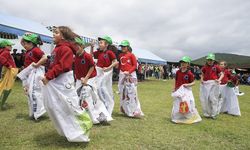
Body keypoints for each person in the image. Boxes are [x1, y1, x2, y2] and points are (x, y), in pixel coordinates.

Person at [34, 26, 92, 142]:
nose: (53, 35)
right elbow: (53, 64)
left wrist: (49, 76)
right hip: (57, 80)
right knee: (55, 105)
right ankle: (70, 130)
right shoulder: (57, 48)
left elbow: (63, 66)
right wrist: (47, 72)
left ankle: (83, 125)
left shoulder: (65, 49)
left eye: (56, 33)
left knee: (69, 105)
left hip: (63, 81)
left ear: (63, 36)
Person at [74, 37, 113, 124]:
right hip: (79, 80)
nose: (76, 48)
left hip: (90, 79)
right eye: (74, 46)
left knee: (90, 96)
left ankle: (98, 117)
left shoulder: (87, 56)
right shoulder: (76, 56)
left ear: (82, 46)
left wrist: (86, 78)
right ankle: (84, 115)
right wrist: (79, 78)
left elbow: (92, 67)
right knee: (78, 97)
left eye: (77, 46)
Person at [17, 33, 46, 120]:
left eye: (26, 43)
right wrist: (25, 36)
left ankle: (38, 113)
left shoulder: (36, 50)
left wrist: (37, 64)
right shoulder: (29, 51)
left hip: (36, 73)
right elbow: (21, 42)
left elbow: (44, 58)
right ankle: (34, 113)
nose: (24, 45)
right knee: (29, 93)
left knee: (34, 93)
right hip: (30, 73)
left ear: (31, 43)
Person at [90, 36, 118, 115]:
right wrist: (92, 47)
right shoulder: (99, 52)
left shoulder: (109, 53)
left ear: (106, 45)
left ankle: (107, 107)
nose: (99, 44)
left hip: (105, 74)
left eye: (101, 43)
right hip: (99, 74)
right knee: (97, 89)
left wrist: (108, 68)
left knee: (103, 89)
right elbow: (91, 55)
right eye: (99, 43)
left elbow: (116, 62)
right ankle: (100, 108)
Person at [171, 56, 202, 124]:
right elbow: (175, 80)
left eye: (184, 63)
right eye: (182, 62)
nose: (183, 64)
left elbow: (193, 82)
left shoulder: (189, 73)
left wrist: (187, 85)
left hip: (187, 92)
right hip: (178, 91)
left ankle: (191, 117)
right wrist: (174, 88)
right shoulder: (178, 72)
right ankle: (178, 117)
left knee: (188, 104)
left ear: (188, 64)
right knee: (178, 104)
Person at [118, 40, 144, 118]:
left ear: (128, 47)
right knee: (123, 92)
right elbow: (120, 65)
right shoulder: (120, 55)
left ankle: (135, 111)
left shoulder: (132, 55)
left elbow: (134, 66)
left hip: (131, 76)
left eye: (124, 46)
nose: (123, 48)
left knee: (132, 92)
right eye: (122, 46)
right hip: (123, 75)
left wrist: (128, 72)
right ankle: (126, 110)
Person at [200, 53, 224, 119]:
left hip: (214, 84)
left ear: (214, 61)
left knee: (213, 99)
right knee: (206, 99)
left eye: (211, 60)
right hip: (205, 84)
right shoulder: (204, 67)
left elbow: (222, 74)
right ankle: (207, 113)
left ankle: (214, 114)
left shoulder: (216, 67)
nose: (210, 61)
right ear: (207, 60)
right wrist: (201, 79)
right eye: (209, 60)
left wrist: (219, 80)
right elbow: (202, 74)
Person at [0, 39, 18, 110]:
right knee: (7, 87)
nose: (11, 46)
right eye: (9, 45)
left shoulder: (5, 52)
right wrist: (8, 65)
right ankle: (1, 104)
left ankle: (2, 103)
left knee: (4, 86)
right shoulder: (6, 52)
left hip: (9, 70)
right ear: (5, 46)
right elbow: (1, 58)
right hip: (9, 70)